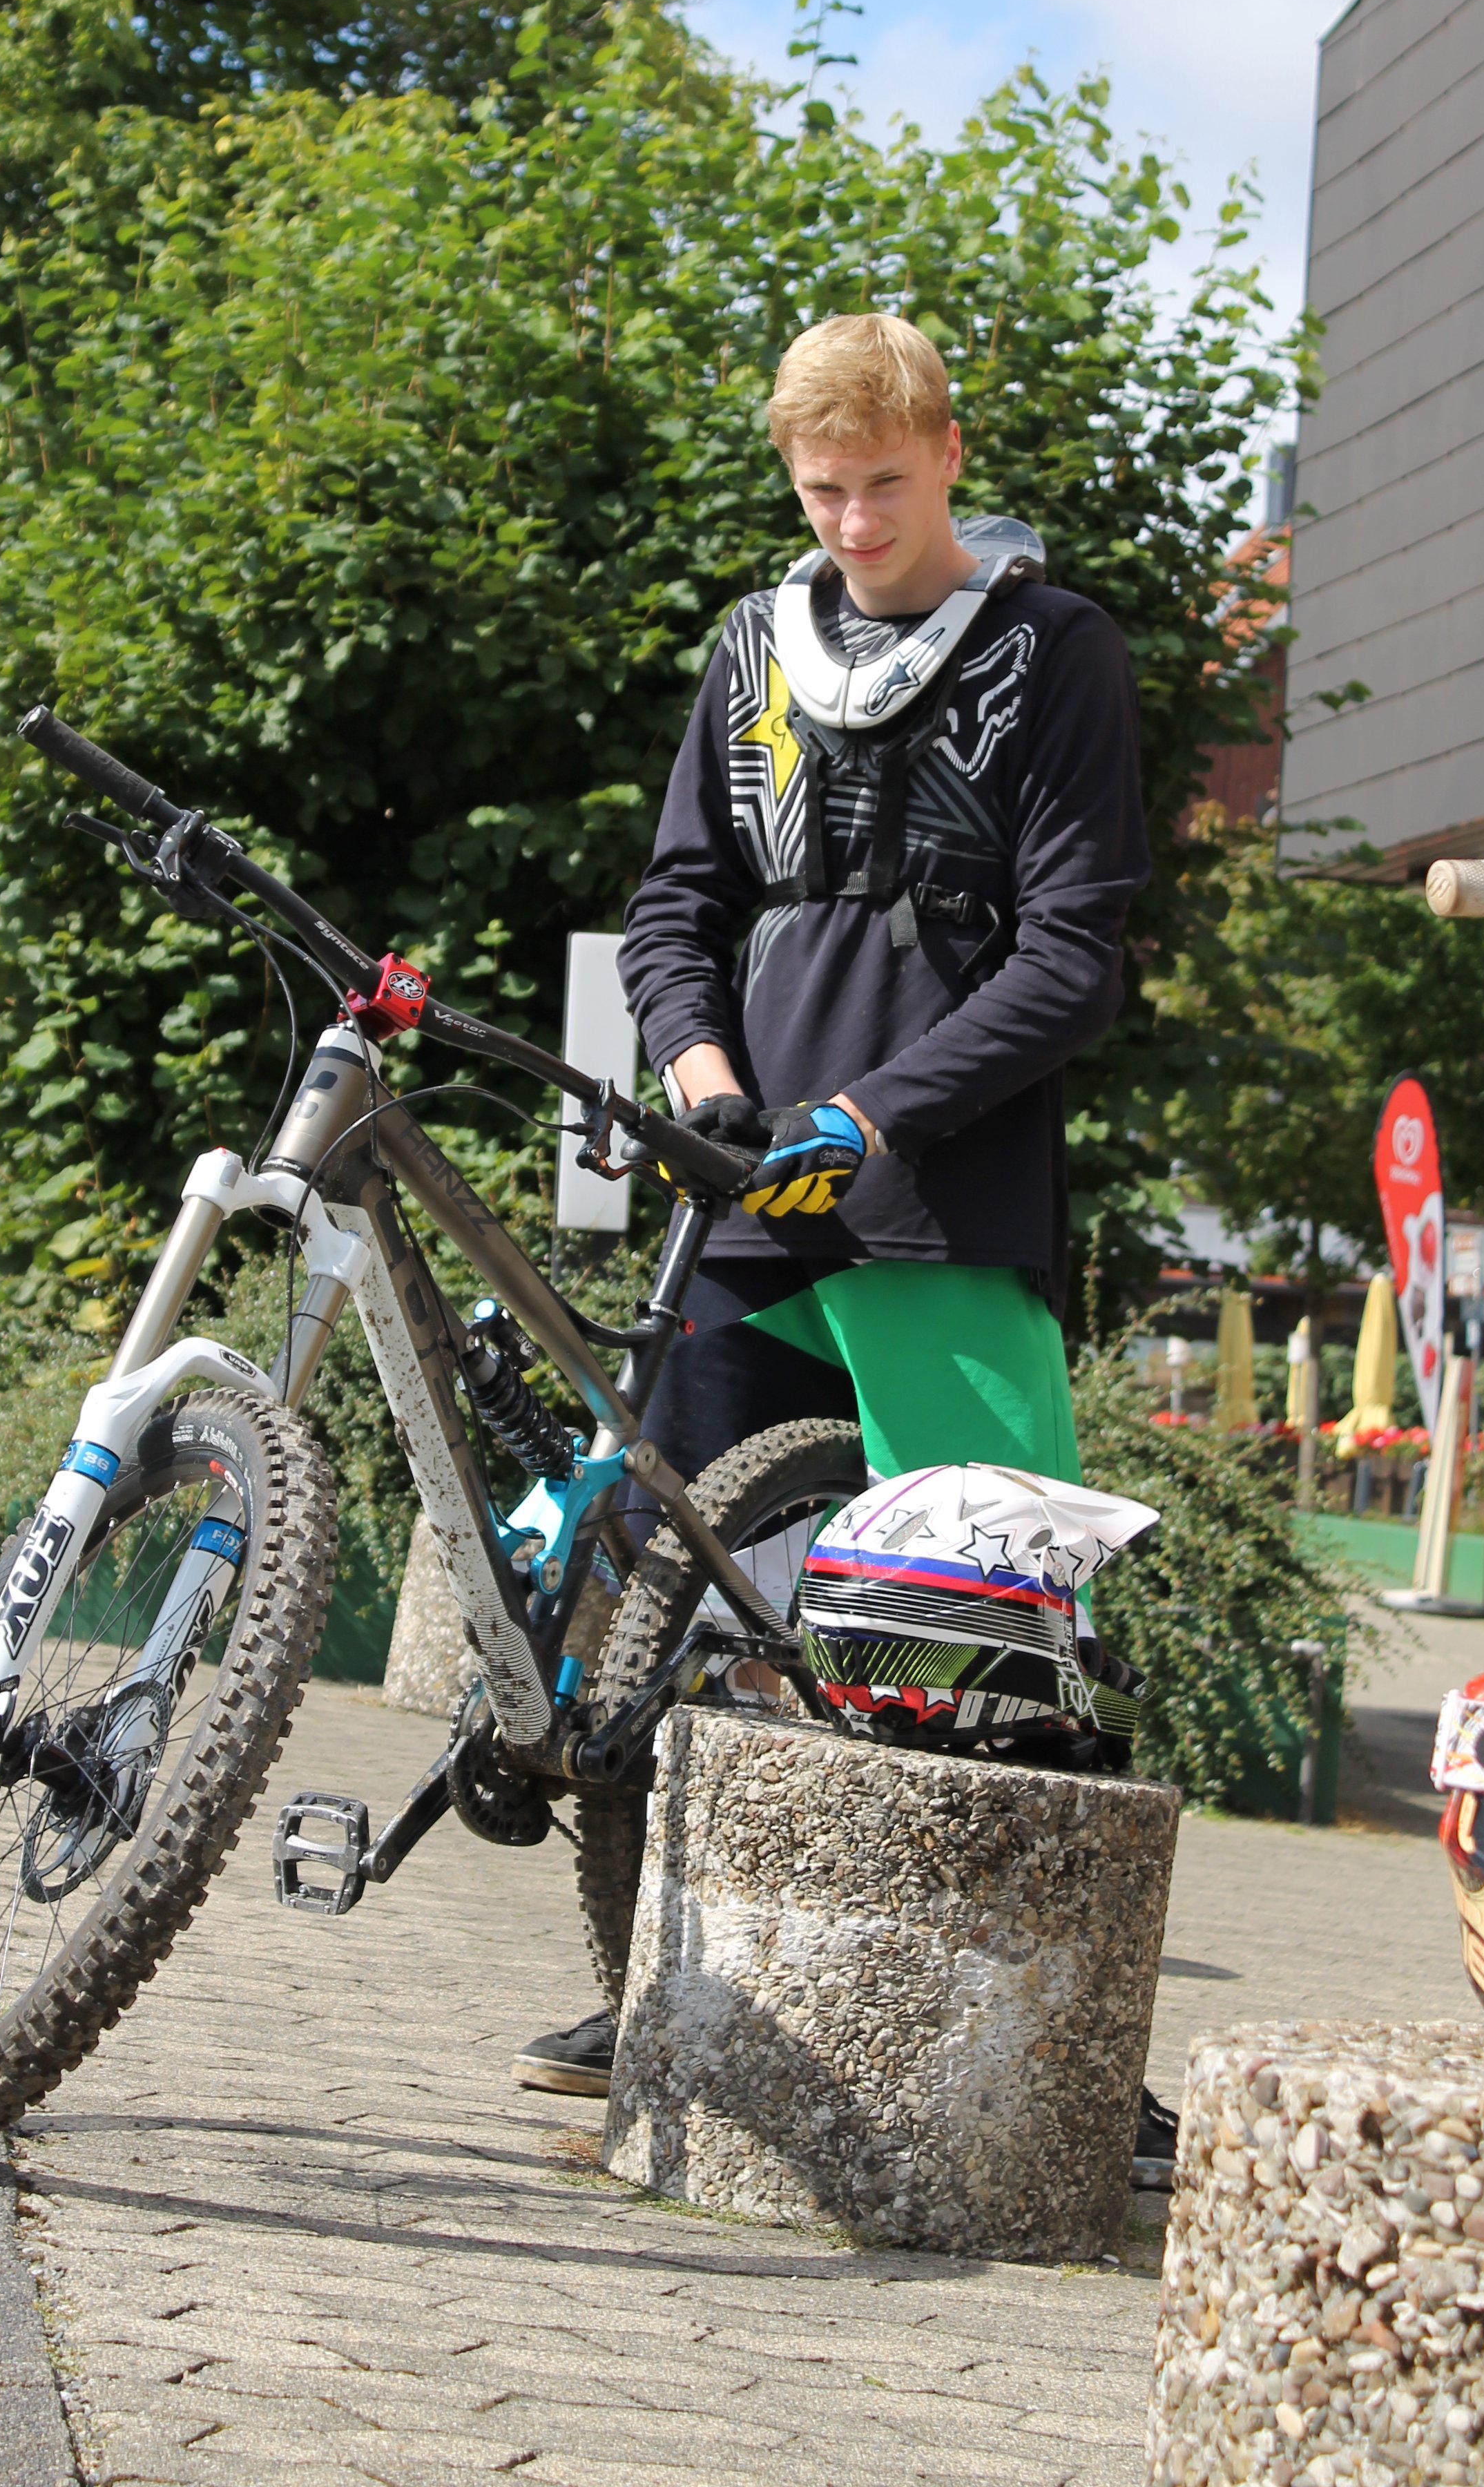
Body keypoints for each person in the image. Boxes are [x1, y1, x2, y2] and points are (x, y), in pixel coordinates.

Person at [512, 309, 1152, 2100]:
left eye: (883, 483)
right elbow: (676, 909)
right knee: (680, 1623)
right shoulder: (751, 650)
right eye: (821, 493)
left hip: (944, 1206)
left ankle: (1062, 2066)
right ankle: (657, 1988)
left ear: (948, 452)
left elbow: (1073, 961)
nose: (855, 525)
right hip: (744, 1201)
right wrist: (701, 1071)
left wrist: (876, 1116)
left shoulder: (1056, 651)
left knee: (991, 1640)